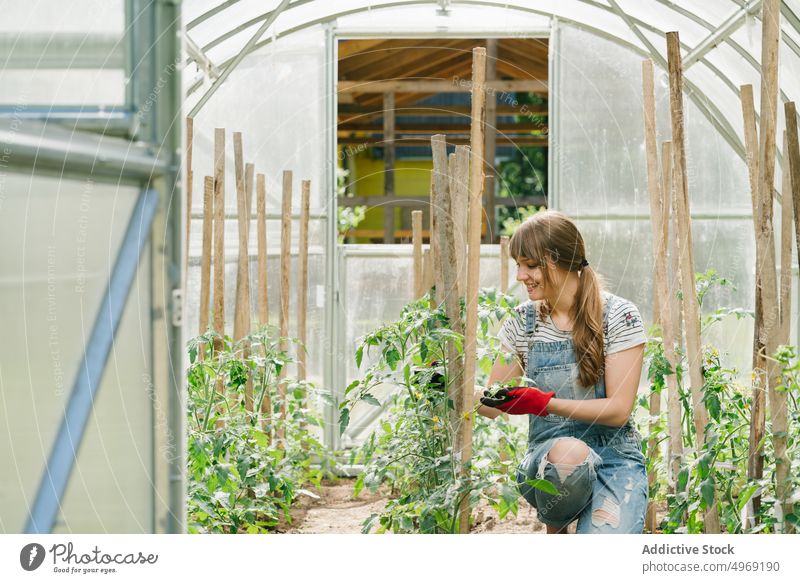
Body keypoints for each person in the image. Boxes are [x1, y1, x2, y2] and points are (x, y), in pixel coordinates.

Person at [476, 210, 648, 534]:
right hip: (548, 459)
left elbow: (618, 410)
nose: (519, 276)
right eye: (518, 265)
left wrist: (544, 403)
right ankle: (556, 526)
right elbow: (490, 406)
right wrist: (452, 388)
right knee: (569, 454)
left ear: (556, 261)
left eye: (529, 264)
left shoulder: (619, 316)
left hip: (615, 457)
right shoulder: (522, 323)